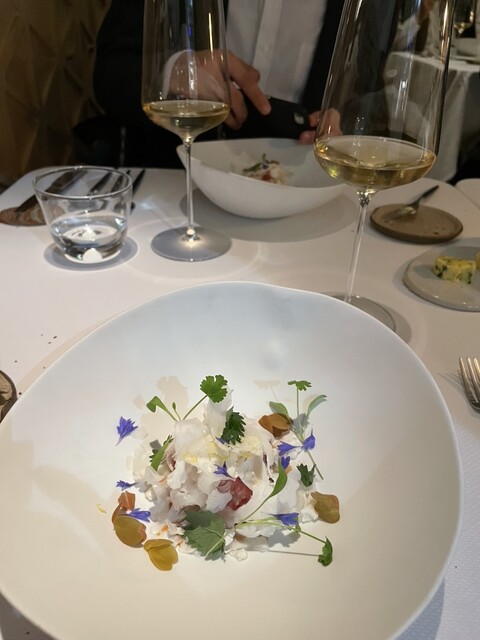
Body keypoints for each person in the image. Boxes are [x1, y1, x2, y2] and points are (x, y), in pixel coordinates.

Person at [92, 0, 345, 167]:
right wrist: (177, 74)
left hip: (306, 190)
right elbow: (109, 73)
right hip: (172, 181)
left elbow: (363, 93)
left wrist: (345, 121)